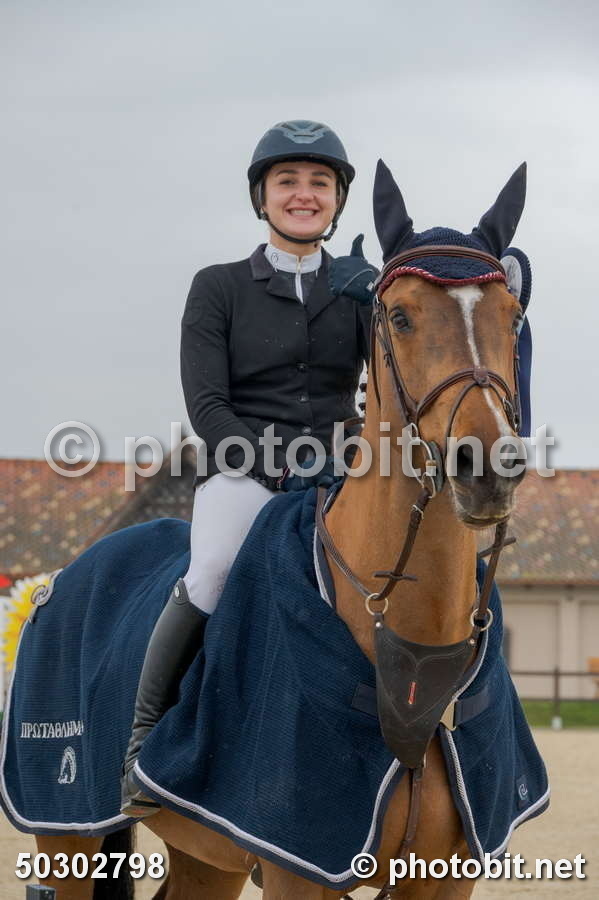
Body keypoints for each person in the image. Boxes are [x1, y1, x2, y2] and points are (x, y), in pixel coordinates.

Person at [120, 120, 379, 816]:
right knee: (211, 571)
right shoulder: (218, 287)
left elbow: (391, 387)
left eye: (319, 183)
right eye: (287, 181)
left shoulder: (357, 289)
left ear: (337, 200)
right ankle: (143, 742)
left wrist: (382, 306)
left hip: (341, 471)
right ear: (262, 197)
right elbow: (207, 405)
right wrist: (276, 467)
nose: (304, 194)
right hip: (242, 470)